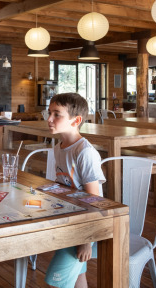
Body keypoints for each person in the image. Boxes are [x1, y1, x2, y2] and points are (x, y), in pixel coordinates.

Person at [44, 93, 106, 288]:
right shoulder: (58, 147)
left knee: (57, 282)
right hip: (69, 220)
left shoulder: (85, 152)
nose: (49, 119)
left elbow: (94, 199)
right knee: (78, 275)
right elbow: (63, 183)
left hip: (85, 226)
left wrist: (87, 239)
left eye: (57, 114)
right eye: (49, 113)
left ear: (76, 120)